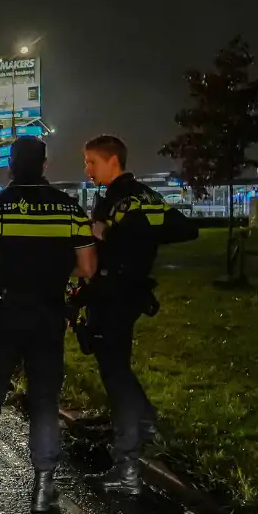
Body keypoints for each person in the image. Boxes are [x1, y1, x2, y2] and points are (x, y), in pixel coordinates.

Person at [0, 136, 97, 512]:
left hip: (3, 314)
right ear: (45, 166)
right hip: (48, 316)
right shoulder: (69, 209)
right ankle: (44, 487)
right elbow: (88, 268)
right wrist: (54, 272)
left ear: (10, 166)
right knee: (45, 401)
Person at [81, 134, 192, 494]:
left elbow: (98, 247)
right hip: (130, 295)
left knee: (115, 376)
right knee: (118, 368)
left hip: (112, 295)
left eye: (91, 162)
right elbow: (181, 227)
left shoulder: (117, 199)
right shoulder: (146, 197)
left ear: (113, 161)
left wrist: (112, 232)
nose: (87, 169)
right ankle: (146, 425)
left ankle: (127, 466)